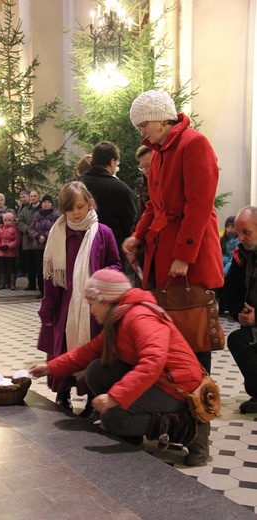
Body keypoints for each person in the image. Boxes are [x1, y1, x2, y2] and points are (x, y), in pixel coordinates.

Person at [30, 268, 209, 466]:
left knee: (113, 417)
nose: (91, 310)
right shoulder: (119, 317)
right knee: (96, 371)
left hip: (180, 388)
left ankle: (191, 429)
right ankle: (133, 433)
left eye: (92, 304)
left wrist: (115, 397)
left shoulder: (140, 316)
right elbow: (88, 352)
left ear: (105, 300)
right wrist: (50, 368)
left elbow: (152, 363)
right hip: (162, 380)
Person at [123, 90, 224, 373]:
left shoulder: (194, 144)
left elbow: (199, 206)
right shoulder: (159, 153)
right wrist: (137, 236)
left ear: (160, 119)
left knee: (192, 327)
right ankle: (177, 395)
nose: (141, 130)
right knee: (168, 327)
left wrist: (184, 255)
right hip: (163, 250)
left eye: (143, 124)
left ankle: (200, 398)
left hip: (188, 253)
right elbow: (154, 207)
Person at [37, 181, 121, 419]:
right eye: (70, 209)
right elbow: (51, 275)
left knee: (91, 350)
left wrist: (99, 280)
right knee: (62, 350)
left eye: (80, 206)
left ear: (89, 203)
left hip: (92, 306)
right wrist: (48, 309)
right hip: (65, 304)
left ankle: (92, 399)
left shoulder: (102, 232)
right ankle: (62, 393)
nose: (76, 212)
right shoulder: (58, 234)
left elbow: (115, 263)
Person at [80, 141, 136, 270]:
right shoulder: (120, 189)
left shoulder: (77, 185)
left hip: (80, 250)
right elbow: (130, 224)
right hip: (112, 253)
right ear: (112, 162)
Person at [224, 206, 257, 414]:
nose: (241, 238)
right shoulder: (242, 254)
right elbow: (229, 290)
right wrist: (241, 314)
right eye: (239, 233)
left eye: (246, 232)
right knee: (238, 339)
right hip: (251, 321)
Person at [28, 194, 61, 298]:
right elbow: (31, 229)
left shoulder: (56, 214)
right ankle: (42, 290)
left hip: (51, 245)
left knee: (51, 268)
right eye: (44, 202)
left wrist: (45, 236)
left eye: (48, 202)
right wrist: (37, 236)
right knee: (40, 268)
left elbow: (56, 228)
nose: (46, 204)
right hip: (38, 246)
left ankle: (52, 290)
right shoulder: (37, 215)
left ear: (51, 204)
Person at [17, 189, 42, 291]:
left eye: (34, 196)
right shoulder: (25, 210)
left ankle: (40, 285)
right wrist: (28, 230)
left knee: (39, 264)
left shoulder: (41, 209)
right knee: (29, 263)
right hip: (27, 239)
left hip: (39, 241)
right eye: (31, 196)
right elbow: (20, 221)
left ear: (39, 197)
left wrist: (36, 233)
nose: (32, 198)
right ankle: (31, 283)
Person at [0, 193, 16, 288]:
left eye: (0, 199)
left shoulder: (10, 211)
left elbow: (15, 223)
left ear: (4, 201)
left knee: (10, 263)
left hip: (9, 241)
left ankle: (10, 282)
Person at [0, 212, 21, 291]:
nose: (7, 222)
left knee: (12, 267)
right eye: (5, 220)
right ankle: (2, 283)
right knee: (3, 267)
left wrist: (8, 246)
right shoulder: (0, 229)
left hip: (11, 252)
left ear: (12, 221)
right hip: (2, 252)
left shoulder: (14, 229)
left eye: (9, 220)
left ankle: (12, 283)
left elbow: (17, 240)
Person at [135, 145, 152, 219]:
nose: (145, 171)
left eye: (148, 166)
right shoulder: (142, 185)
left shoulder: (169, 185)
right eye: (142, 167)